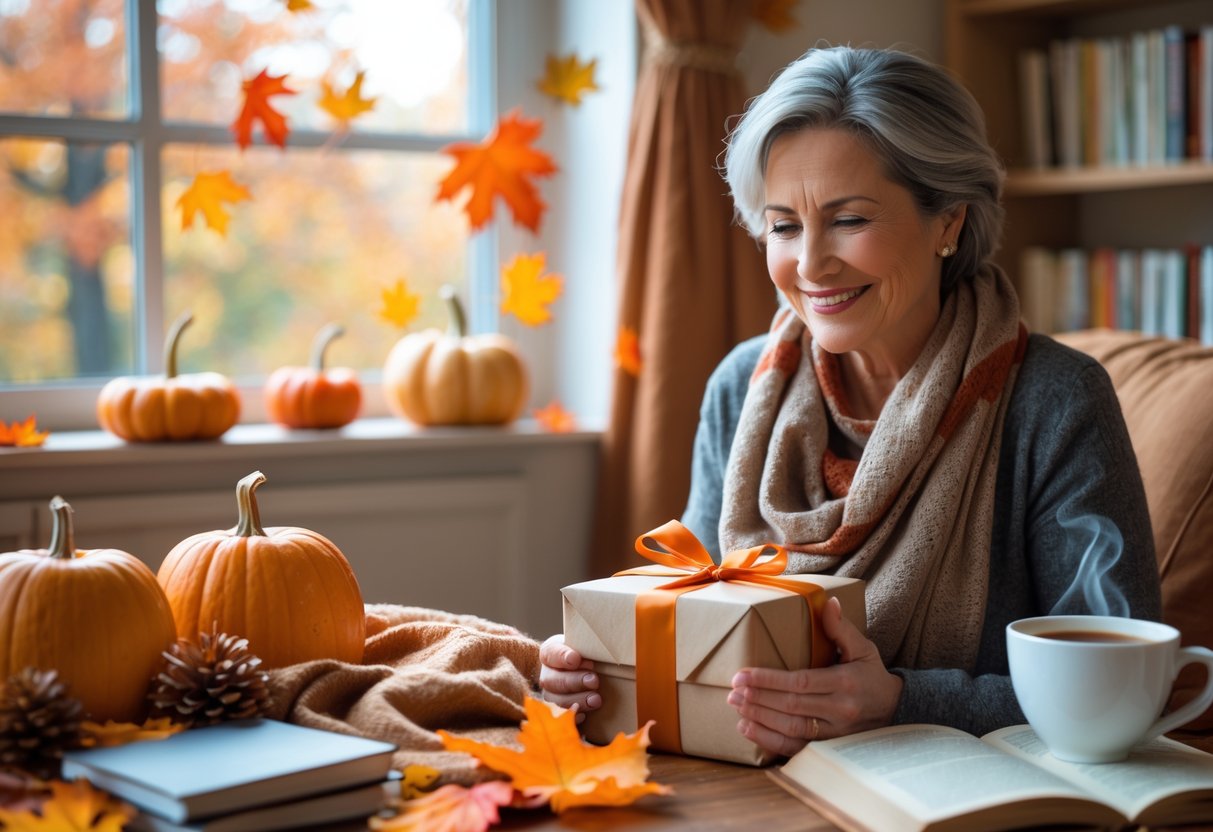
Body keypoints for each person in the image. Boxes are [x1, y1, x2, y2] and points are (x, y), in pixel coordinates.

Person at [539, 45, 1162, 759]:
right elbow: (696, 620)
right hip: (754, 779)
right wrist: (601, 667)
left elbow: (1116, 688)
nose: (809, 265)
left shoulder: (1055, 400)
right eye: (782, 225)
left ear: (948, 222)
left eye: (848, 219)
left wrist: (901, 700)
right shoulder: (741, 385)